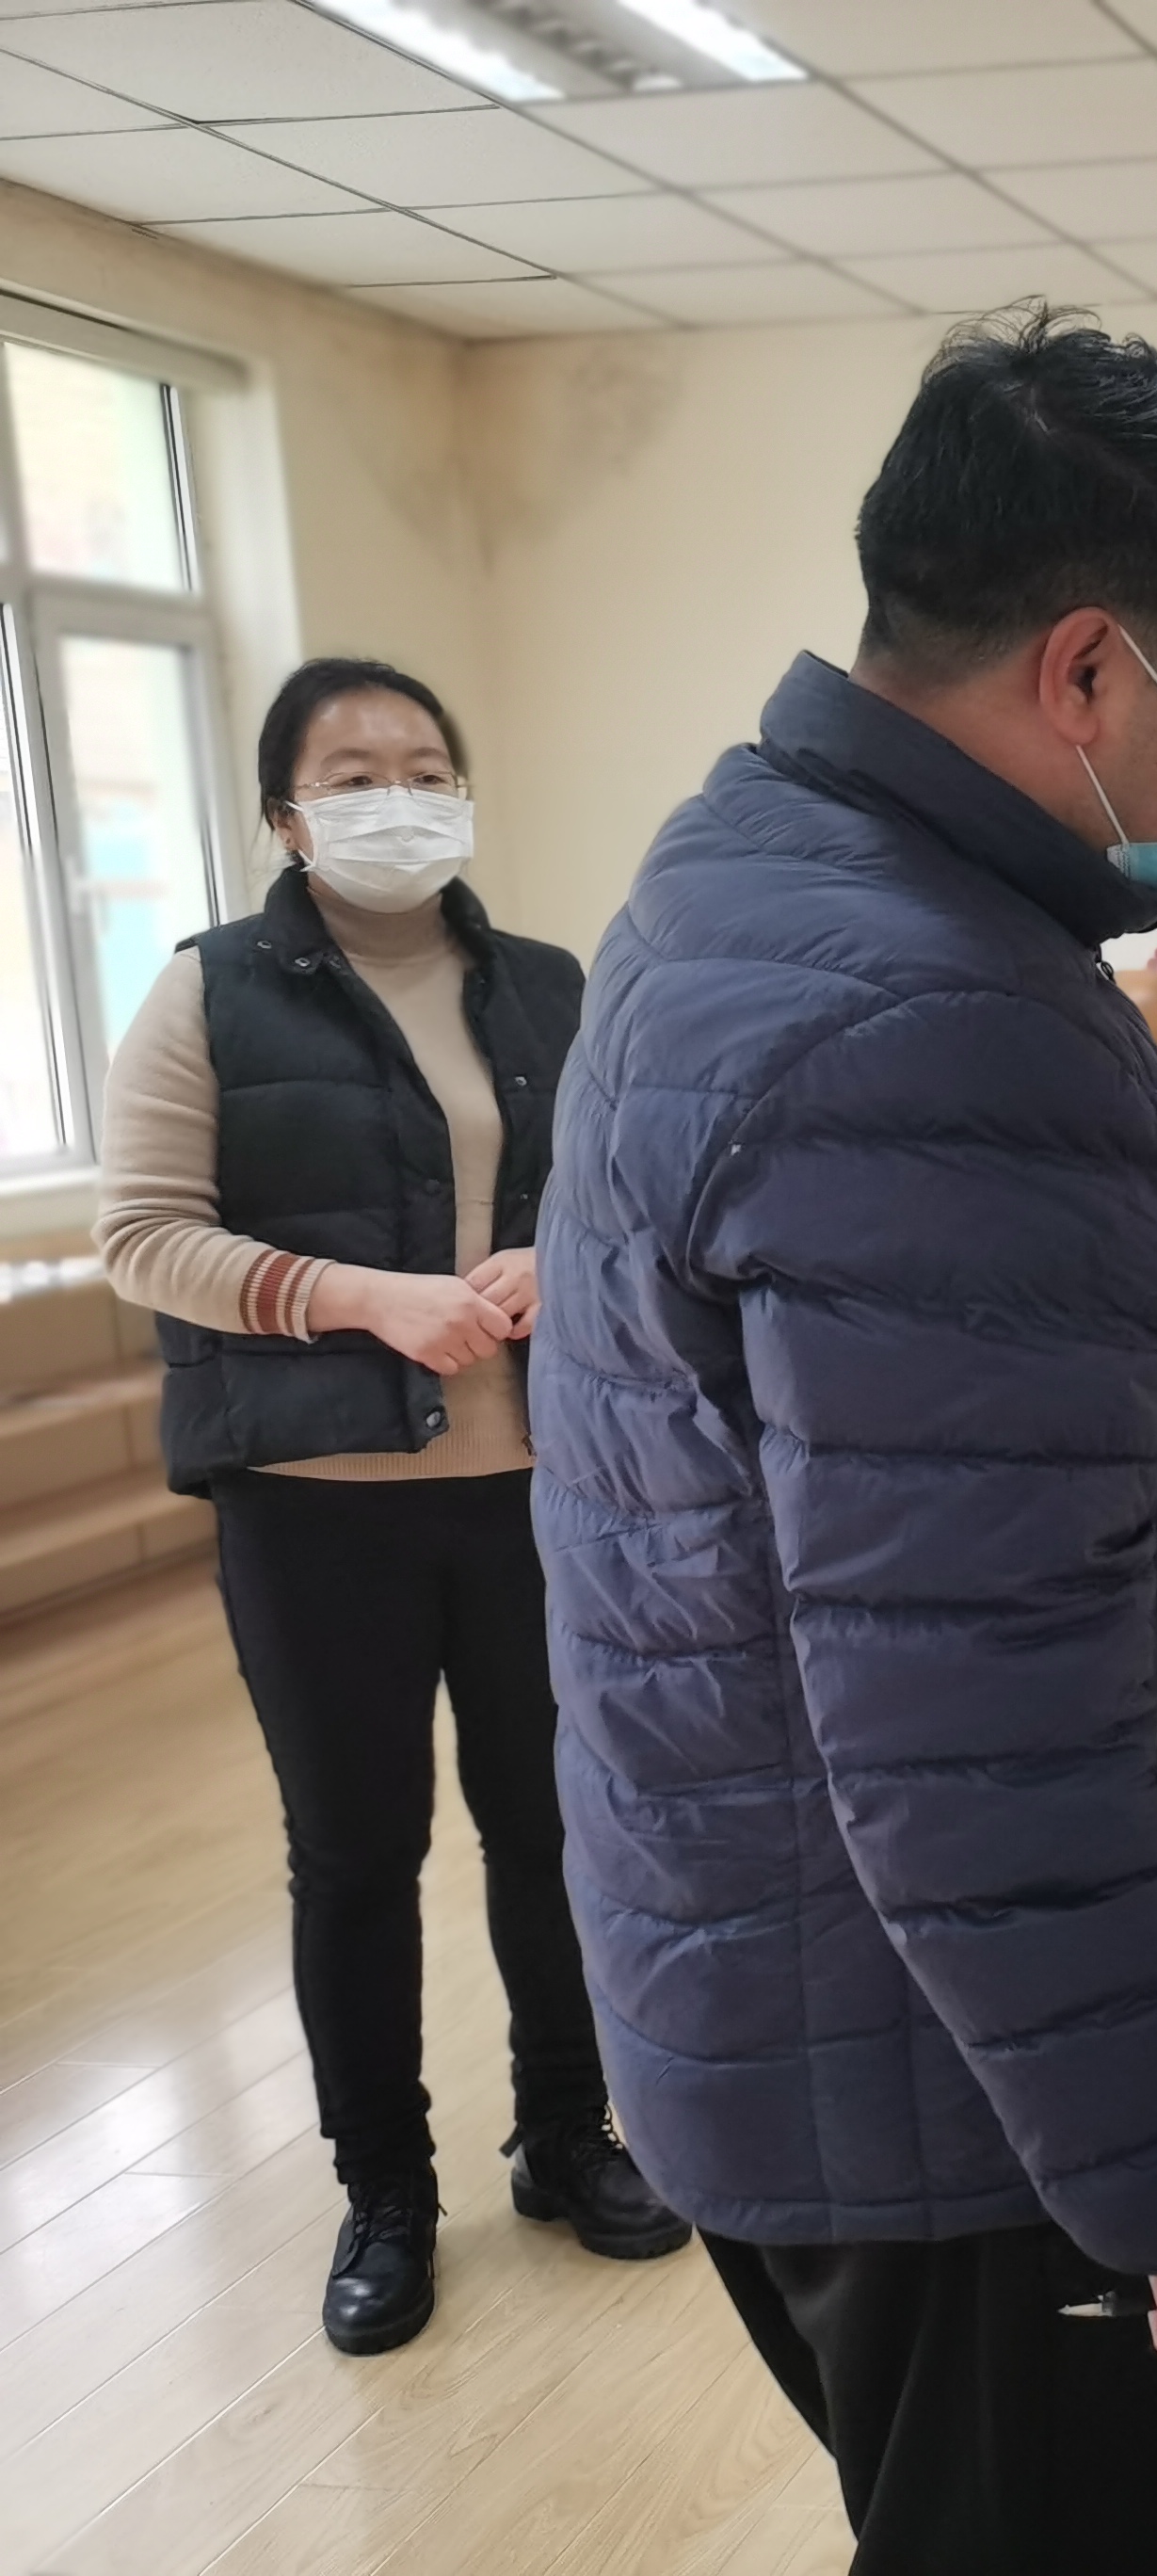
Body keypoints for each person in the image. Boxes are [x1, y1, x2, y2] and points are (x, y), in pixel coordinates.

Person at [533, 306, 1157, 2575]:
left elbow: (847, 1448)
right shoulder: (940, 1016)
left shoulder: (754, 878)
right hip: (961, 2109)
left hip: (784, 1996)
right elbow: (978, 1726)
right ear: (1092, 671)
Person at [94, 656, 685, 2358]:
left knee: (554, 1830)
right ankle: (387, 2192)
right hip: (313, 1504)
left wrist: (559, 1260)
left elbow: (626, 1196)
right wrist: (359, 1298)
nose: (396, 798)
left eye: (425, 767)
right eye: (352, 775)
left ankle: (566, 2134)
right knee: (356, 1855)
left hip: (540, 1487)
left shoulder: (552, 985)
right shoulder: (209, 991)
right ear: (286, 816)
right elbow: (143, 1235)